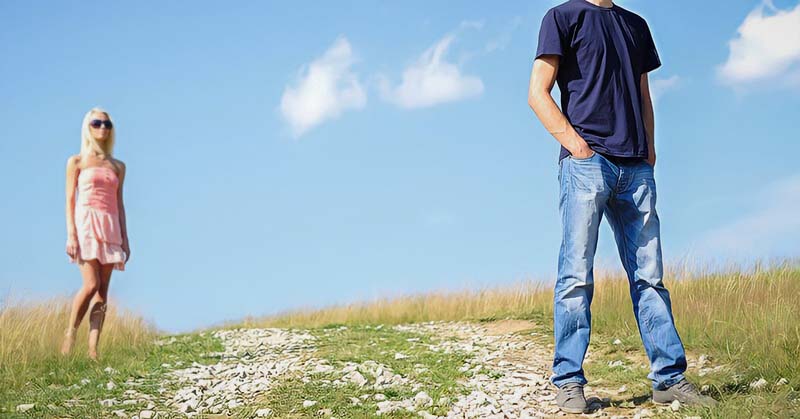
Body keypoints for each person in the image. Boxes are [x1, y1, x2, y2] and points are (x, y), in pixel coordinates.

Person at [527, 0, 716, 413]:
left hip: (636, 169)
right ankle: (568, 381)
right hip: (587, 164)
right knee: (576, 275)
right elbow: (537, 92)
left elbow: (644, 95)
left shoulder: (635, 24)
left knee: (651, 278)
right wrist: (577, 147)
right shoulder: (562, 17)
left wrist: (649, 150)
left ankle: (668, 378)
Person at [62, 107, 130, 360]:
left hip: (110, 225)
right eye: (97, 123)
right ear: (88, 127)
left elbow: (120, 203)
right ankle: (70, 333)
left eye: (107, 124)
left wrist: (125, 238)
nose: (102, 127)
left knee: (103, 292)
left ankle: (93, 348)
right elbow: (69, 199)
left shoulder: (118, 166)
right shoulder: (76, 162)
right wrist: (71, 234)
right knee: (90, 285)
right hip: (86, 224)